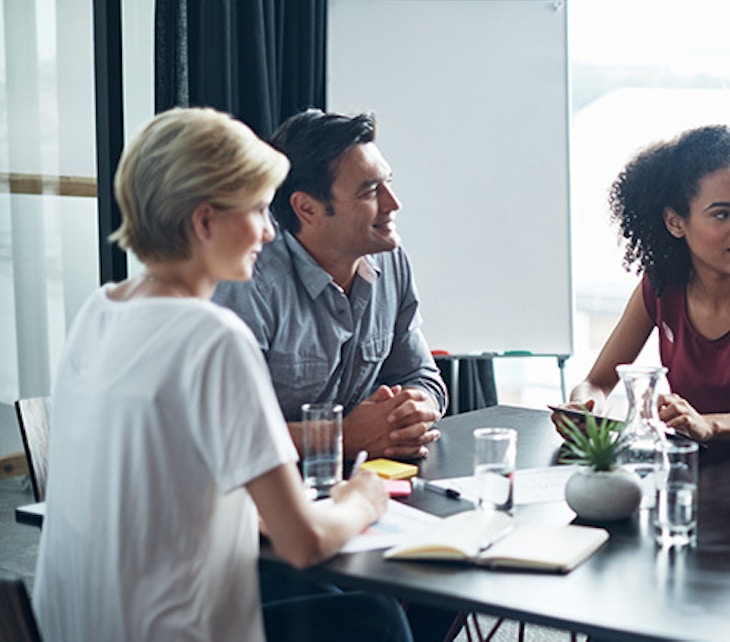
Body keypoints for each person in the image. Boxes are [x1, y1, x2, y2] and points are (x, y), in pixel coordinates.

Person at [33, 107, 411, 641]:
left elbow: (160, 479)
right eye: (257, 208)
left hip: (77, 626)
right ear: (205, 221)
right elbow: (303, 543)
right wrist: (360, 500)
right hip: (167, 630)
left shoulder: (100, 311)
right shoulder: (212, 337)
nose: (268, 228)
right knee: (378, 618)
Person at [213, 109, 446, 461]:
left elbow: (420, 374)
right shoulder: (248, 282)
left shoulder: (389, 256)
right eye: (370, 191)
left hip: (366, 484)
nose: (393, 204)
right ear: (306, 208)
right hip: (264, 496)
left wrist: (414, 409)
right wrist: (341, 436)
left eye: (388, 183)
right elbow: (224, 433)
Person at [564, 125, 730, 442]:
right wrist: (582, 406)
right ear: (675, 222)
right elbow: (598, 383)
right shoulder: (660, 287)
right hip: (693, 472)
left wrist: (709, 425)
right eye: (722, 215)